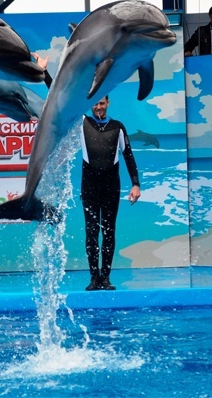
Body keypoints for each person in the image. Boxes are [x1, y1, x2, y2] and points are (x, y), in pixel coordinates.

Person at [80, 96, 140, 291]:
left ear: (108, 104)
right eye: (95, 103)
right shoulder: (83, 123)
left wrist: (136, 184)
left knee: (108, 231)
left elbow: (128, 155)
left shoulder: (118, 127)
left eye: (102, 103)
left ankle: (105, 278)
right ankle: (93, 278)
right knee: (91, 232)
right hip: (89, 188)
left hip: (111, 187)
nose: (98, 107)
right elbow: (63, 102)